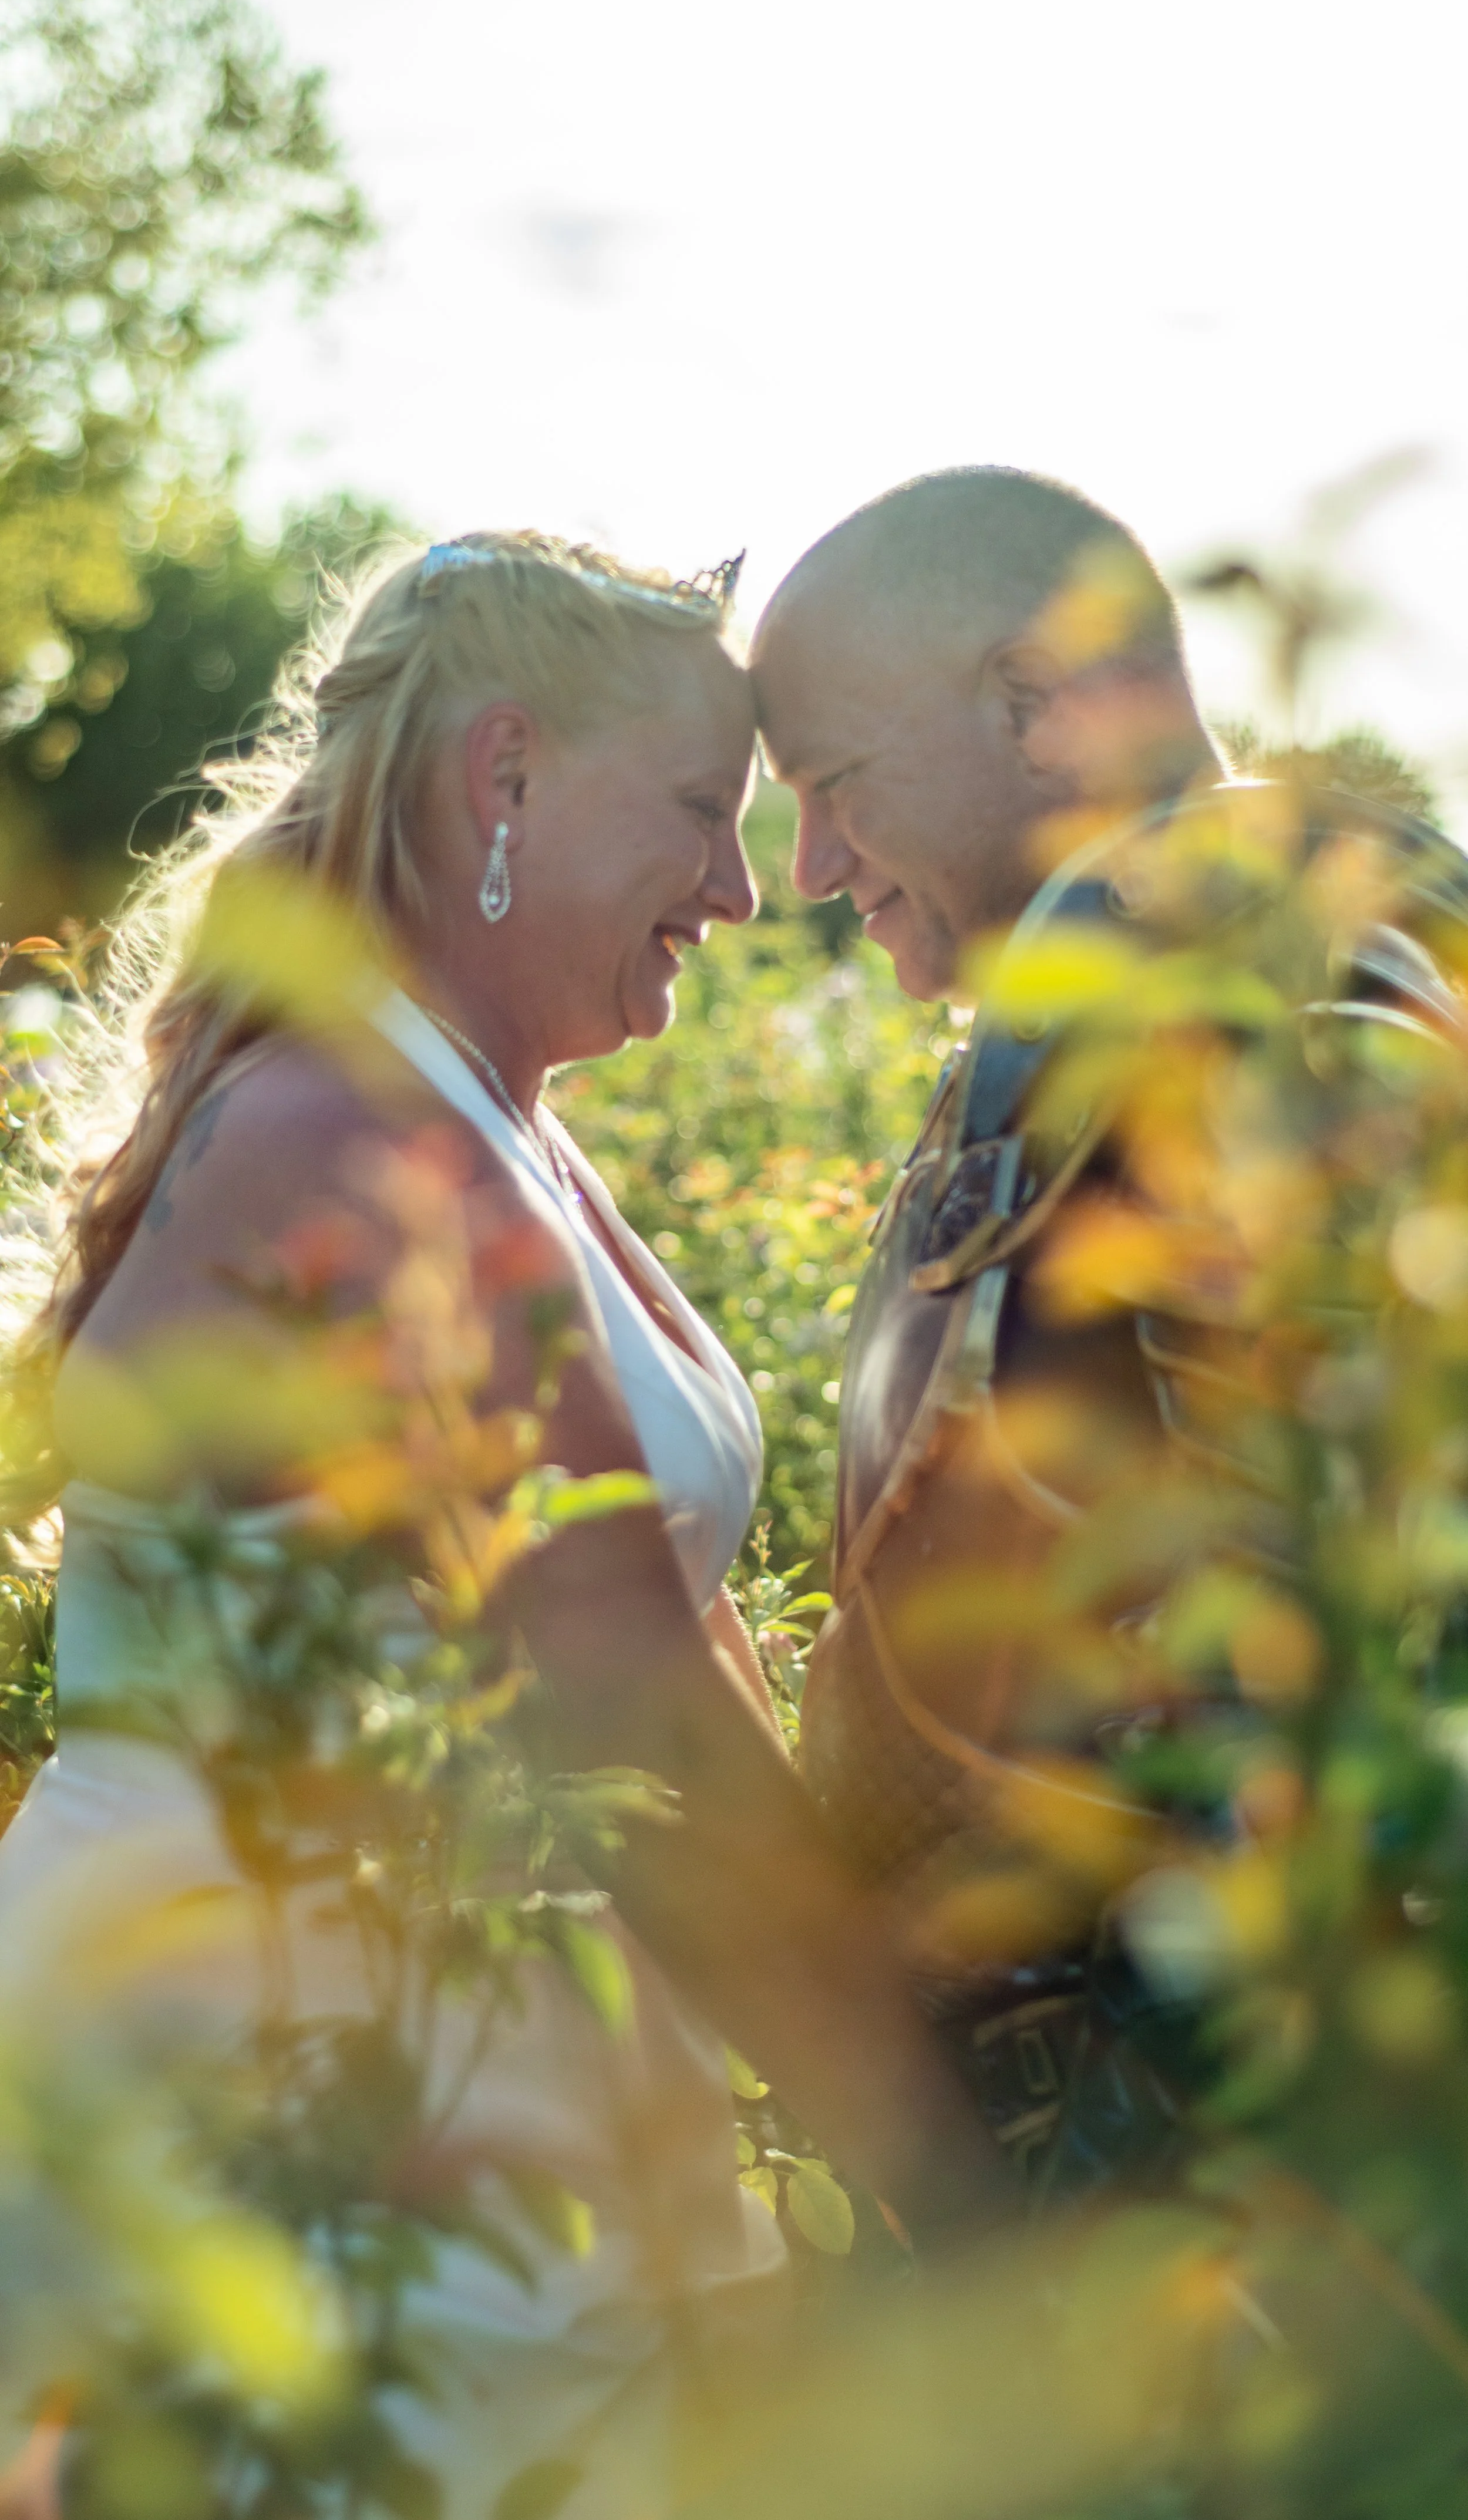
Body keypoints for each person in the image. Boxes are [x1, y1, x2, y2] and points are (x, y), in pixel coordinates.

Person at [0, 533, 1009, 2519]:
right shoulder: (355, 1141)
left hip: (467, 2027)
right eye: (700, 815)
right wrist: (942, 2172)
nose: (741, 891)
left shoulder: (488, 1113)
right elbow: (618, 1681)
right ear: (505, 777)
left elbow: (675, 1608)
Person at [751, 466, 1468, 2196]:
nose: (809, 867)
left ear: (1032, 700)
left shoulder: (1249, 978)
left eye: (833, 786)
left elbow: (1374, 1612)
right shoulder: (1156, 968)